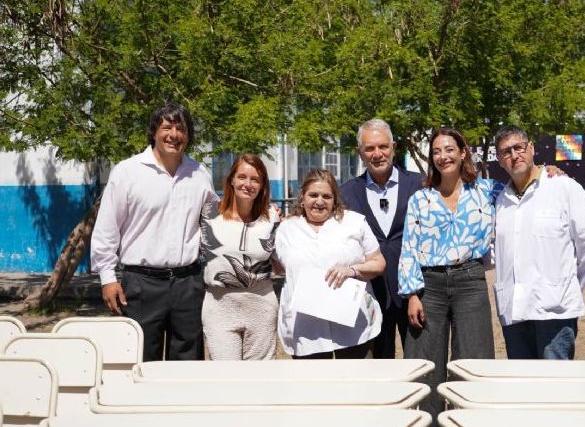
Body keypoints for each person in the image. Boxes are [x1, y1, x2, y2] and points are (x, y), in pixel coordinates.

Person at [398, 127, 501, 427]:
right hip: (430, 286)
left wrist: (547, 171)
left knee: (473, 362)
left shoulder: (487, 191)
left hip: (470, 280)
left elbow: (523, 185)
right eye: (436, 151)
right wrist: (412, 293)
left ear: (462, 152)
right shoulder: (421, 198)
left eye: (449, 149)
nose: (443, 156)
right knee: (427, 365)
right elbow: (409, 247)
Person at [91, 102, 218, 361]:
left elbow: (214, 224)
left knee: (188, 364)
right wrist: (107, 277)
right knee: (139, 362)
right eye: (167, 127)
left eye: (181, 128)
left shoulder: (200, 174)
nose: (174, 134)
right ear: (154, 132)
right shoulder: (127, 172)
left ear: (188, 136)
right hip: (140, 285)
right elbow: (107, 229)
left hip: (188, 285)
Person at [493, 124, 585, 360]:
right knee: (521, 385)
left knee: (554, 387)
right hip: (514, 311)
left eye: (519, 147)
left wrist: (568, 284)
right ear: (500, 160)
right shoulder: (501, 200)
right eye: (506, 152)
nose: (514, 156)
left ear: (531, 148)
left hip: (555, 312)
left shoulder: (564, 188)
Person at [275, 168, 386, 358]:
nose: (319, 201)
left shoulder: (354, 222)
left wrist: (352, 270)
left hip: (353, 327)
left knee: (356, 385)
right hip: (306, 330)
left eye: (326, 196)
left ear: (335, 200)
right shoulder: (286, 228)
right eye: (313, 195)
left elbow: (378, 263)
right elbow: (278, 267)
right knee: (314, 387)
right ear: (302, 198)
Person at [340, 119, 424, 358]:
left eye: (383, 147)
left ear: (394, 147)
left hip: (415, 295)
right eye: (369, 148)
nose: (377, 154)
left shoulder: (419, 185)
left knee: (419, 363)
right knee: (379, 367)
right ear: (360, 153)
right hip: (371, 295)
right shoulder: (346, 193)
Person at [200, 154, 281, 360]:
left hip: (261, 305)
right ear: (232, 180)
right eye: (242, 177)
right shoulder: (208, 213)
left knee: (260, 378)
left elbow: (282, 256)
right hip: (220, 306)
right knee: (226, 378)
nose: (248, 184)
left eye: (255, 179)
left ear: (262, 185)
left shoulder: (271, 216)